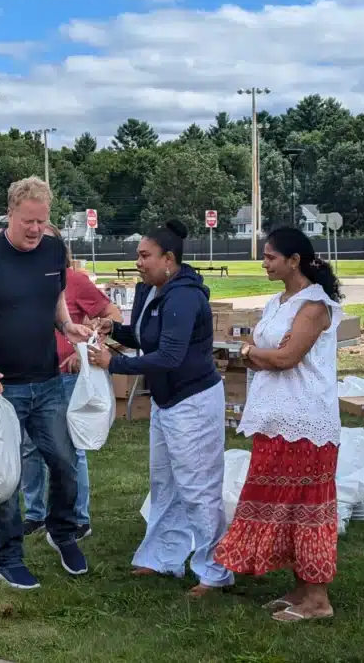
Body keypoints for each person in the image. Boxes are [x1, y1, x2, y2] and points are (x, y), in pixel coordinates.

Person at [0, 176, 93, 591]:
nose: (35, 230)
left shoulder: (52, 250)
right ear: (10, 213)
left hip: (46, 381)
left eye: (42, 222)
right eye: (28, 221)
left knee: (65, 462)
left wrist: (67, 326)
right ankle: (7, 557)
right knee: (6, 476)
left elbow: (55, 298)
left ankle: (61, 531)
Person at [87, 220, 233, 597]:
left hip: (193, 401)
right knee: (164, 483)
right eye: (138, 255)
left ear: (168, 259)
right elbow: (143, 336)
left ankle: (214, 571)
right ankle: (162, 557)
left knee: (198, 487)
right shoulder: (151, 290)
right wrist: (113, 330)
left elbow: (168, 355)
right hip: (167, 402)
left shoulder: (184, 297)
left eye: (144, 255)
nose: (137, 262)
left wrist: (113, 363)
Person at [214, 227, 343, 622]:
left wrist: (257, 352)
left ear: (294, 261)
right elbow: (265, 350)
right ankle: (302, 588)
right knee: (281, 505)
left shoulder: (315, 305)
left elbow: (286, 358)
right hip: (274, 420)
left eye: (271, 257)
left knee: (308, 507)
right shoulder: (277, 302)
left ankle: (318, 599)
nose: (264, 262)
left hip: (306, 421)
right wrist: (262, 351)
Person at [21, 224, 122, 540]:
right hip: (29, 375)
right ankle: (36, 513)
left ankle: (79, 518)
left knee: (69, 449)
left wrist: (89, 347)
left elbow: (113, 315)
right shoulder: (23, 282)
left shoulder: (74, 281)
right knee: (29, 448)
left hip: (65, 379)